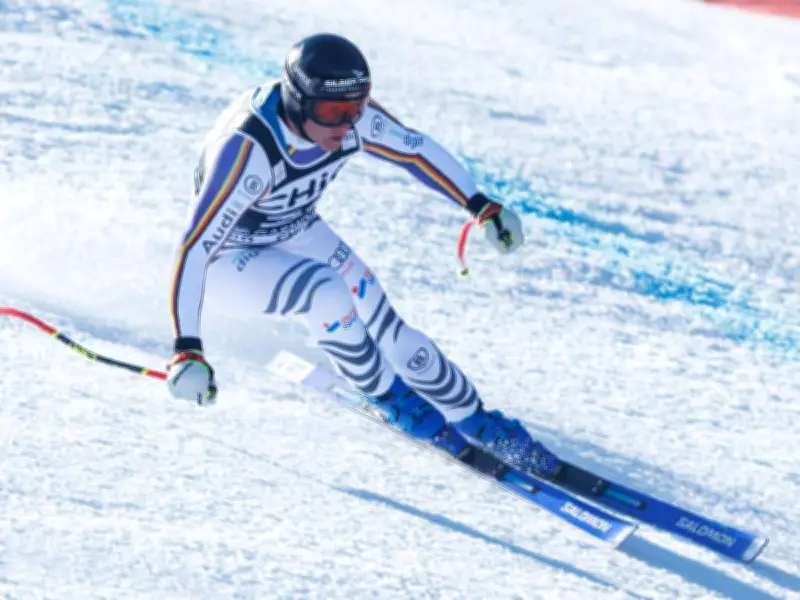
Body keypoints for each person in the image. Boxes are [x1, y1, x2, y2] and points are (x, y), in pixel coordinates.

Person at [165, 32, 561, 477]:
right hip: (230, 259)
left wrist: (481, 207)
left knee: (391, 329)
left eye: (357, 108)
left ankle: (477, 420)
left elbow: (413, 150)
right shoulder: (247, 150)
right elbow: (195, 247)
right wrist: (188, 350)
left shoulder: (350, 122)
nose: (348, 124)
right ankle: (394, 401)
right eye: (334, 112)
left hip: (296, 227)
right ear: (297, 102)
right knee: (326, 293)